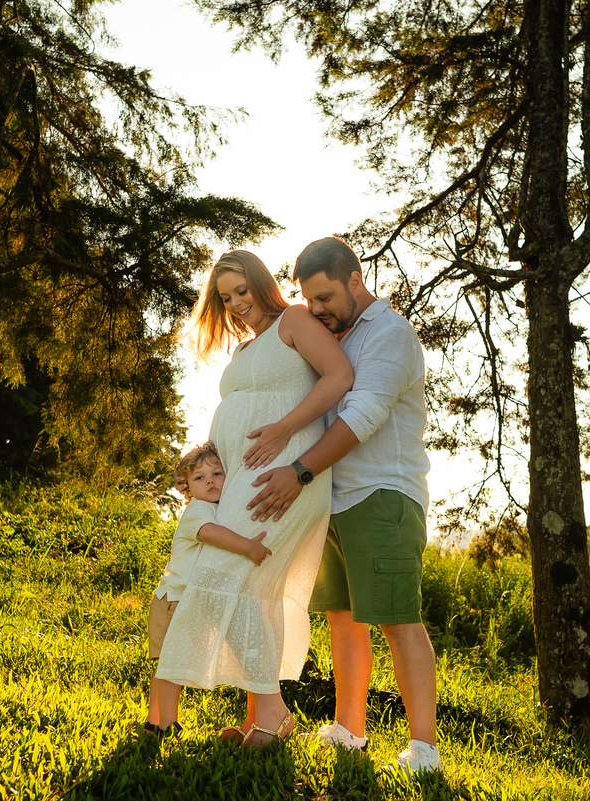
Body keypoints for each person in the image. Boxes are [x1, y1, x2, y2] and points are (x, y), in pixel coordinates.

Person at [247, 236, 442, 775]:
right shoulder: (338, 333)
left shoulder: (390, 335)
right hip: (332, 499)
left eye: (326, 296)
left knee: (398, 620)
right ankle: (349, 730)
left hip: (383, 494)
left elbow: (362, 418)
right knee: (343, 617)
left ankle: (423, 750)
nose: (317, 309)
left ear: (355, 280)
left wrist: (299, 470)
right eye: (309, 300)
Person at [154, 250, 354, 748]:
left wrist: (285, 430)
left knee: (233, 576)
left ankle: (271, 713)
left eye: (242, 290)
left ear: (262, 283)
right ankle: (261, 718)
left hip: (283, 476)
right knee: (246, 585)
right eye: (226, 297)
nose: (237, 303)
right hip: (238, 477)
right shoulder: (244, 348)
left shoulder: (295, 320)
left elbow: (339, 376)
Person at [145, 443, 272, 738]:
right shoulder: (198, 510)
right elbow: (210, 534)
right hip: (174, 599)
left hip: (182, 599)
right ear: (186, 486)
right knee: (170, 666)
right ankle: (166, 725)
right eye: (200, 478)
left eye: (217, 473)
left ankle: (154, 722)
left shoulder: (213, 508)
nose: (211, 481)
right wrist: (249, 547)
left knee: (169, 663)